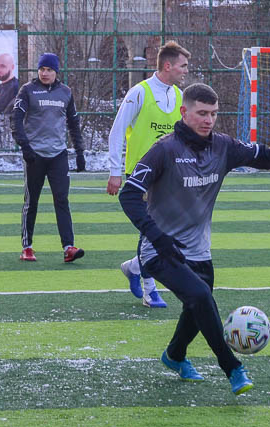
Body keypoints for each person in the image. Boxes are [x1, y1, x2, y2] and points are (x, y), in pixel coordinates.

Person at [119, 83, 270, 395]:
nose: (209, 120)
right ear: (183, 112)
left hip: (199, 250)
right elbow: (129, 195)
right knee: (201, 297)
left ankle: (174, 356)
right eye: (202, 113)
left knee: (195, 307)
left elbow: (264, 156)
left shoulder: (223, 146)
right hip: (161, 250)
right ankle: (233, 368)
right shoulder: (164, 150)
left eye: (214, 114)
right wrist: (157, 237)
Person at [107, 40, 191, 308]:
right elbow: (117, 131)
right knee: (151, 230)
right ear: (168, 65)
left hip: (171, 178)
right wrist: (115, 171)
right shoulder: (139, 93)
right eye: (183, 65)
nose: (186, 70)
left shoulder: (179, 96)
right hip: (140, 176)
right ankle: (150, 289)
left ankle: (133, 267)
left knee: (168, 231)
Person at [10, 52, 87, 263]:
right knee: (31, 201)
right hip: (34, 155)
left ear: (56, 72)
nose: (45, 73)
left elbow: (73, 124)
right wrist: (25, 146)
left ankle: (68, 247)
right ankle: (27, 247)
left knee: (62, 200)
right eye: (42, 69)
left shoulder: (65, 92)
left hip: (58, 155)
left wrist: (80, 152)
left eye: (49, 70)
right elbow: (15, 119)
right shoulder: (27, 90)